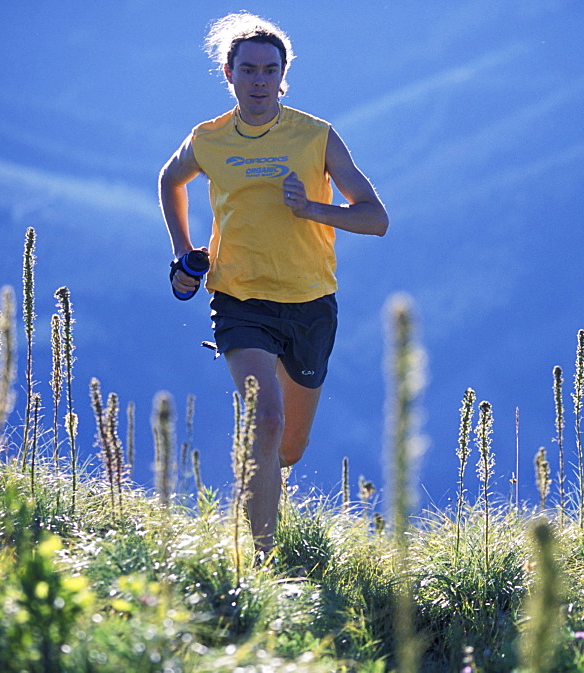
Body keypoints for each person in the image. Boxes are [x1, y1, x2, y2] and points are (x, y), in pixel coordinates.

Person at [158, 12, 388, 557]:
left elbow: (375, 218)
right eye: (248, 70)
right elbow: (170, 179)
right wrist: (183, 251)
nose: (259, 79)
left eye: (270, 70)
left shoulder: (316, 136)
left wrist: (310, 207)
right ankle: (259, 563)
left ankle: (265, 508)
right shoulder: (208, 139)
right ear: (228, 73)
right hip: (238, 298)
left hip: (310, 303)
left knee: (288, 446)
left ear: (283, 75)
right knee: (265, 420)